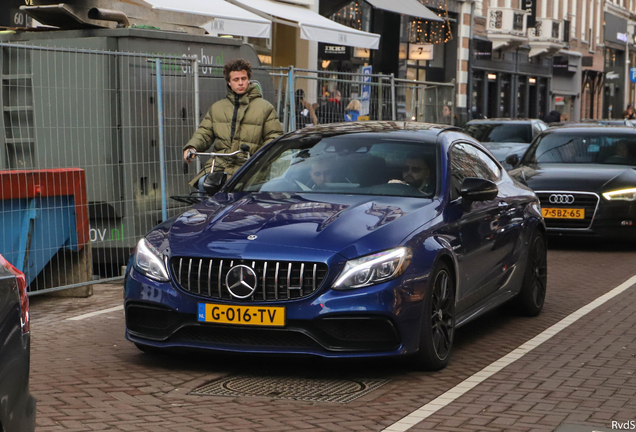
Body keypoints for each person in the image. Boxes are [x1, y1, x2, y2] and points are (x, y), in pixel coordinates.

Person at [183, 58, 283, 188]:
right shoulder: (217, 108)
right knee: (203, 185)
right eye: (236, 80)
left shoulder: (265, 108)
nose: (240, 83)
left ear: (248, 79)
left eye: (244, 78)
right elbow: (204, 133)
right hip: (219, 166)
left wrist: (258, 159)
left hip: (250, 168)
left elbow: (274, 137)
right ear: (229, 82)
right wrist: (192, 147)